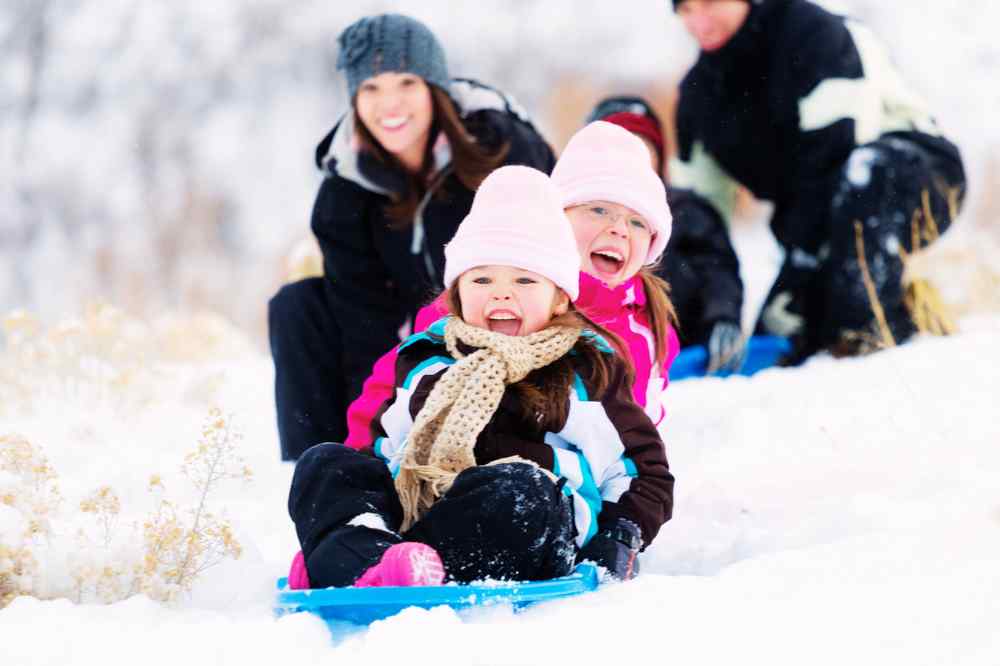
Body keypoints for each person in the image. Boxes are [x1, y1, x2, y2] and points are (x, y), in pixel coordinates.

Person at [287, 166, 674, 588]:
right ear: (457, 293)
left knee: (521, 490)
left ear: (561, 297)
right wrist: (353, 498)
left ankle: (363, 563)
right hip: (418, 510)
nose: (501, 293)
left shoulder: (586, 368)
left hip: (530, 528)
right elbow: (383, 446)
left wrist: (621, 533)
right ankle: (367, 555)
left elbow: (642, 472)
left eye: (525, 280)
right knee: (325, 462)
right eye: (482, 278)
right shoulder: (426, 358)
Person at [269, 14, 556, 460]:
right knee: (297, 307)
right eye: (371, 88)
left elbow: (551, 257)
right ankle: (322, 464)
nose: (390, 104)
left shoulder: (502, 147)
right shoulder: (344, 188)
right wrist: (371, 431)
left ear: (433, 87)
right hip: (407, 333)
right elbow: (359, 317)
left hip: (505, 321)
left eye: (405, 82)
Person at [343, 120, 682, 450]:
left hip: (570, 483)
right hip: (461, 461)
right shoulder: (494, 292)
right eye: (598, 210)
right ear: (557, 217)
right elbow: (394, 383)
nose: (620, 229)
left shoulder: (650, 324)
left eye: (637, 222)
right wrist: (361, 457)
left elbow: (643, 432)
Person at [670, 0, 966, 363]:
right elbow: (697, 220)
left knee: (849, 311)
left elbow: (836, 151)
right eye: (685, 8)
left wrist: (801, 266)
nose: (698, 20)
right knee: (779, 335)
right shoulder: (698, 98)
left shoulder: (809, 31)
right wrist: (710, 313)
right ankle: (904, 311)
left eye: (711, 3)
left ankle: (880, 347)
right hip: (815, 219)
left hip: (910, 172)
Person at [586, 95, 745, 372]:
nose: (631, 162)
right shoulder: (571, 215)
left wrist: (722, 316)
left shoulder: (687, 210)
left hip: (681, 352)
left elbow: (717, 269)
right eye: (619, 150)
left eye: (641, 149)